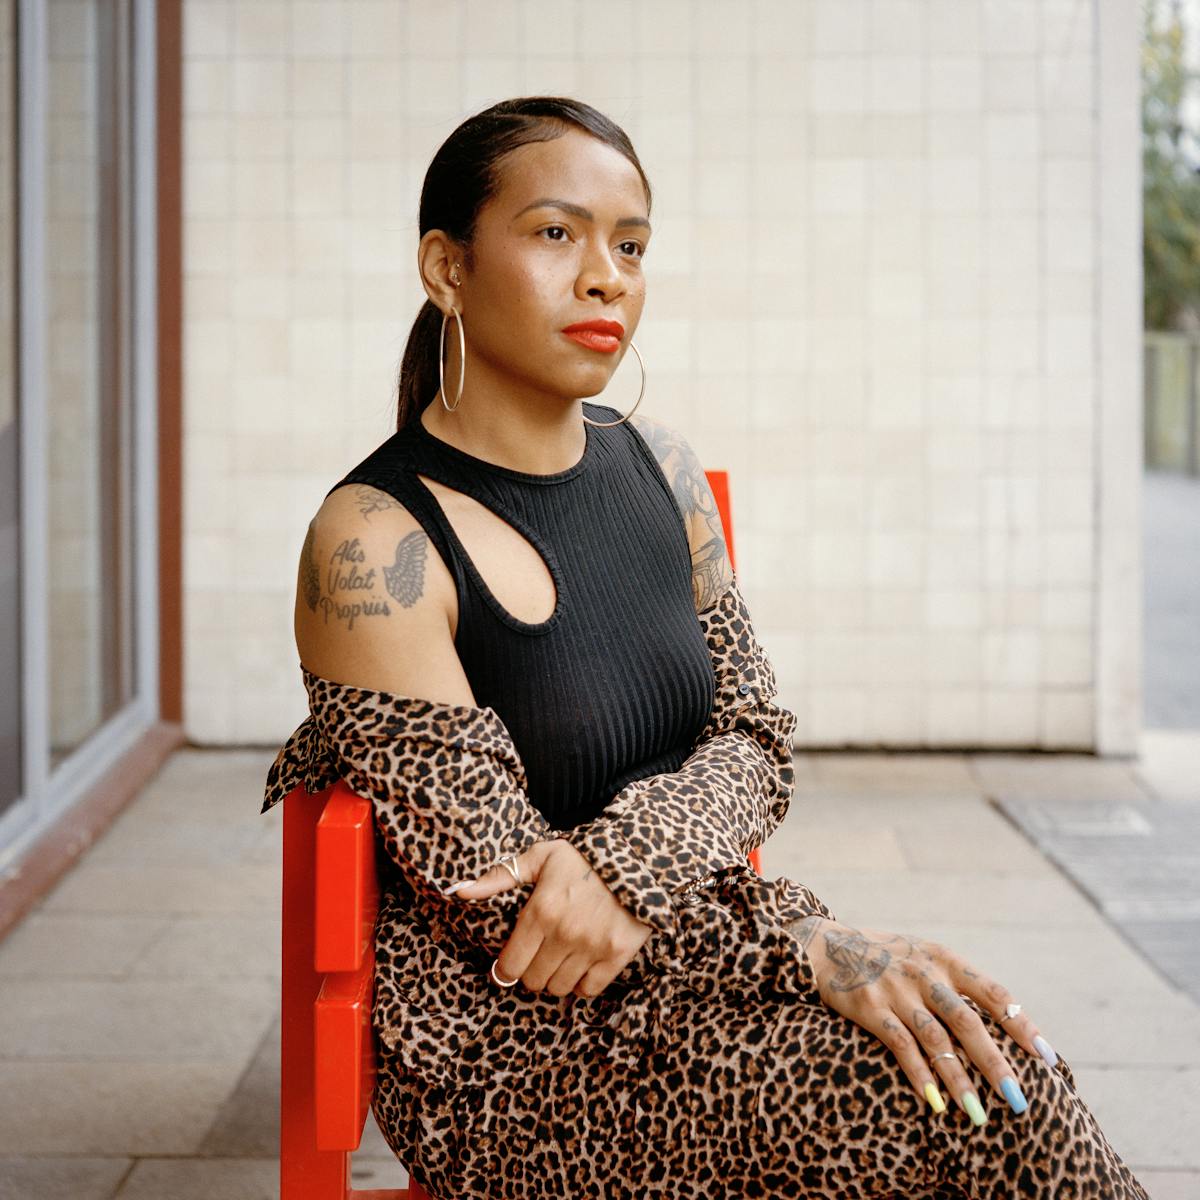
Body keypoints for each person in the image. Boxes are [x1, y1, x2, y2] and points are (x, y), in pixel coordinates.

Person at [262, 96, 1149, 1200]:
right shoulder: (374, 544)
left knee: (979, 1063)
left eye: (630, 245)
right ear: (445, 266)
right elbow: (504, 901)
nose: (606, 277)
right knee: (922, 1093)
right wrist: (804, 950)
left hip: (704, 963)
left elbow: (756, 737)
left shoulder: (663, 473)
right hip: (521, 1060)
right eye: (555, 234)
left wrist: (626, 866)